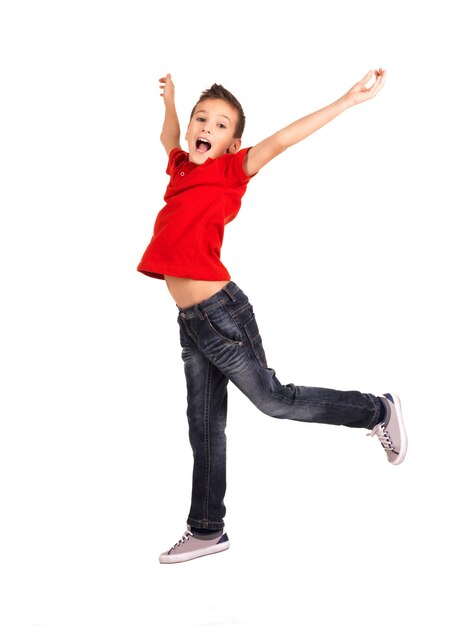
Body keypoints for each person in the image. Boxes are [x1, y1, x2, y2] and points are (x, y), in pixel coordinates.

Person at [137, 69, 407, 565]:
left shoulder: (229, 171)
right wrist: (172, 99)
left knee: (274, 401)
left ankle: (376, 410)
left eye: (219, 126)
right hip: (191, 322)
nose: (205, 127)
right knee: (202, 425)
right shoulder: (180, 167)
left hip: (222, 316)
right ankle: (206, 529)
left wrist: (345, 100)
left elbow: (282, 139)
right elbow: (168, 136)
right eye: (202, 119)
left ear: (232, 144)